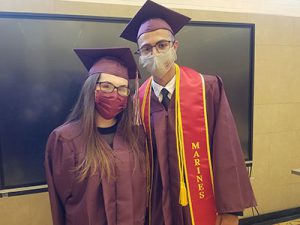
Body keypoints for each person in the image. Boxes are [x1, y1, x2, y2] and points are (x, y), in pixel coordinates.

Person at [120, 1, 257, 225]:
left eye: (162, 45)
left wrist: (232, 210)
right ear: (140, 54)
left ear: (175, 46)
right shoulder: (138, 101)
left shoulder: (207, 88)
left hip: (203, 200)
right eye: (146, 48)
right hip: (158, 205)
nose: (154, 53)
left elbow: (227, 150)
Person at [45, 47, 147, 225]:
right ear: (91, 88)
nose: (115, 94)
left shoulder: (135, 137)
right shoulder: (65, 140)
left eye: (122, 89)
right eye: (106, 86)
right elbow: (60, 202)